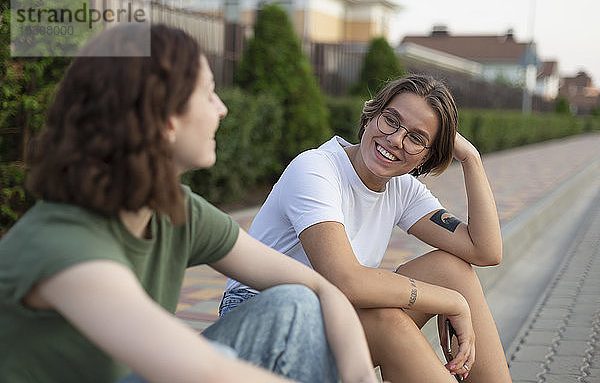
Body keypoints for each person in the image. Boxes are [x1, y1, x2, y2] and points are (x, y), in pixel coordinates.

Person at [0, 23, 379, 383]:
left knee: (292, 305)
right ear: (165, 118)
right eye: (209, 94)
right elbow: (206, 372)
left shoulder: (173, 209)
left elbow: (320, 287)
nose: (222, 108)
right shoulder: (65, 245)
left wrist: (361, 377)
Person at [224, 75, 513, 382]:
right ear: (371, 115)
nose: (396, 140)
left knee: (451, 270)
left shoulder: (401, 189)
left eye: (416, 139)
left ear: (426, 158)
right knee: (389, 321)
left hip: (329, 314)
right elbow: (347, 281)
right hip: (262, 322)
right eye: (391, 121)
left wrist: (471, 159)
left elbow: (485, 250)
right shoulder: (316, 169)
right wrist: (452, 302)